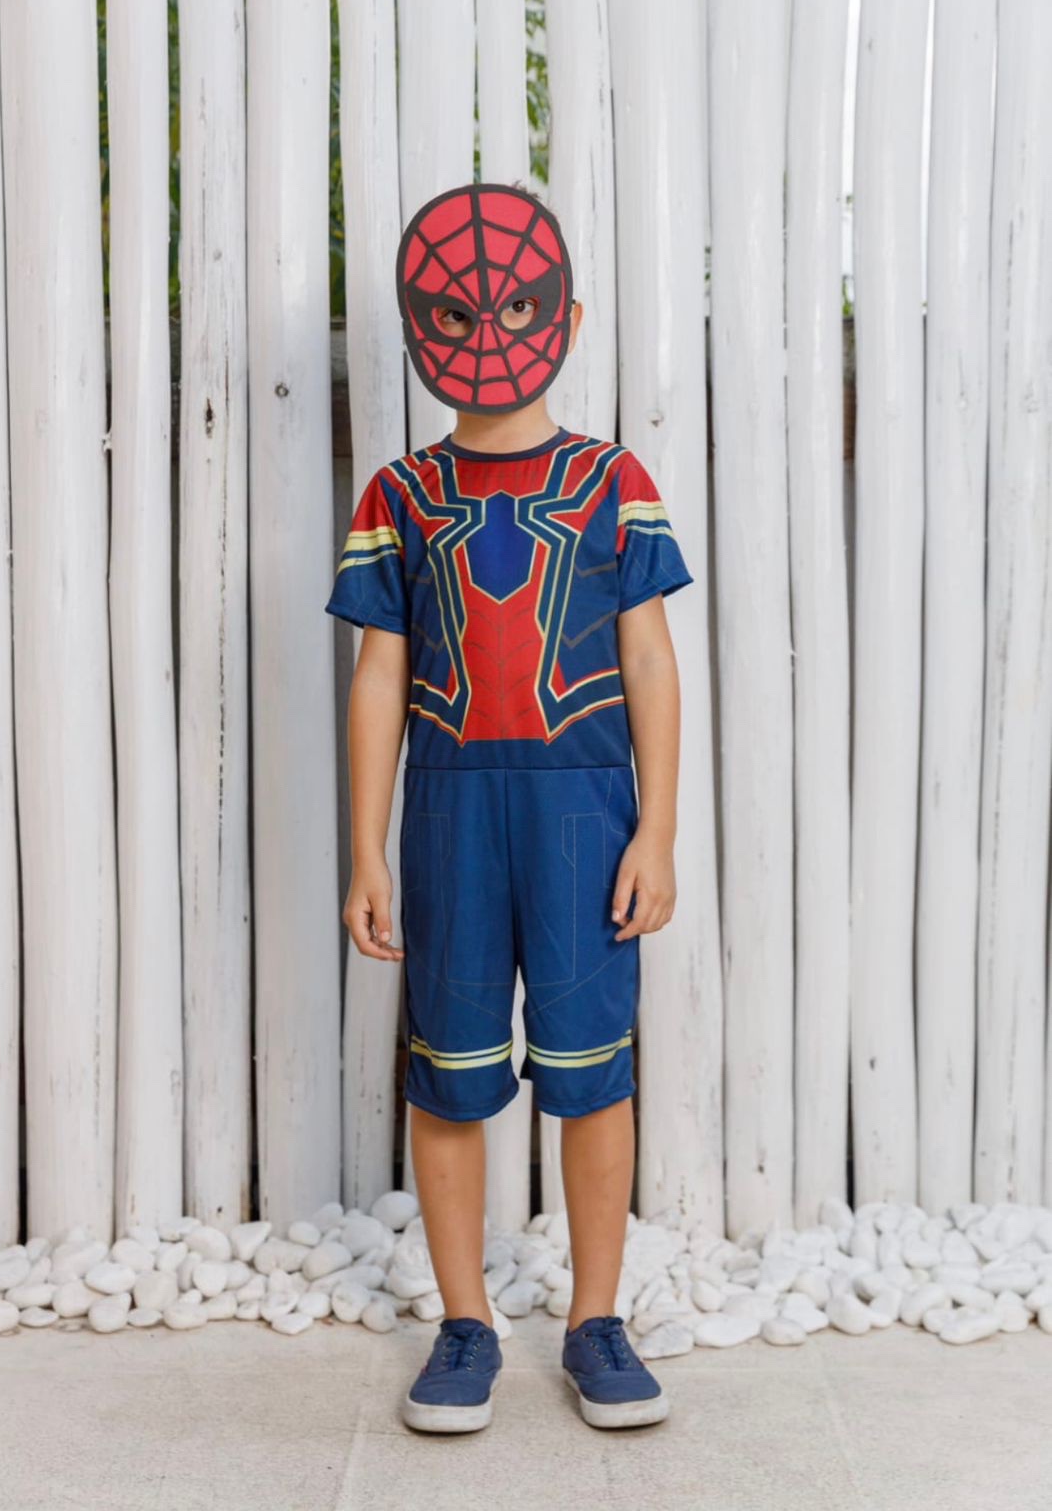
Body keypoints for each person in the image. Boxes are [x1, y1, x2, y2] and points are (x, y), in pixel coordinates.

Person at [325, 180, 694, 1433]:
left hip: (588, 813)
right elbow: (379, 674)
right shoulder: (400, 494)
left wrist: (657, 827)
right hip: (449, 818)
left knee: (593, 1073)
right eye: (454, 311)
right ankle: (465, 1322)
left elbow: (648, 659)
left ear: (566, 318)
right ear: (417, 327)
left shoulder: (610, 479)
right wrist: (367, 849)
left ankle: (596, 1320)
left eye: (520, 307)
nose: (488, 328)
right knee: (449, 1074)